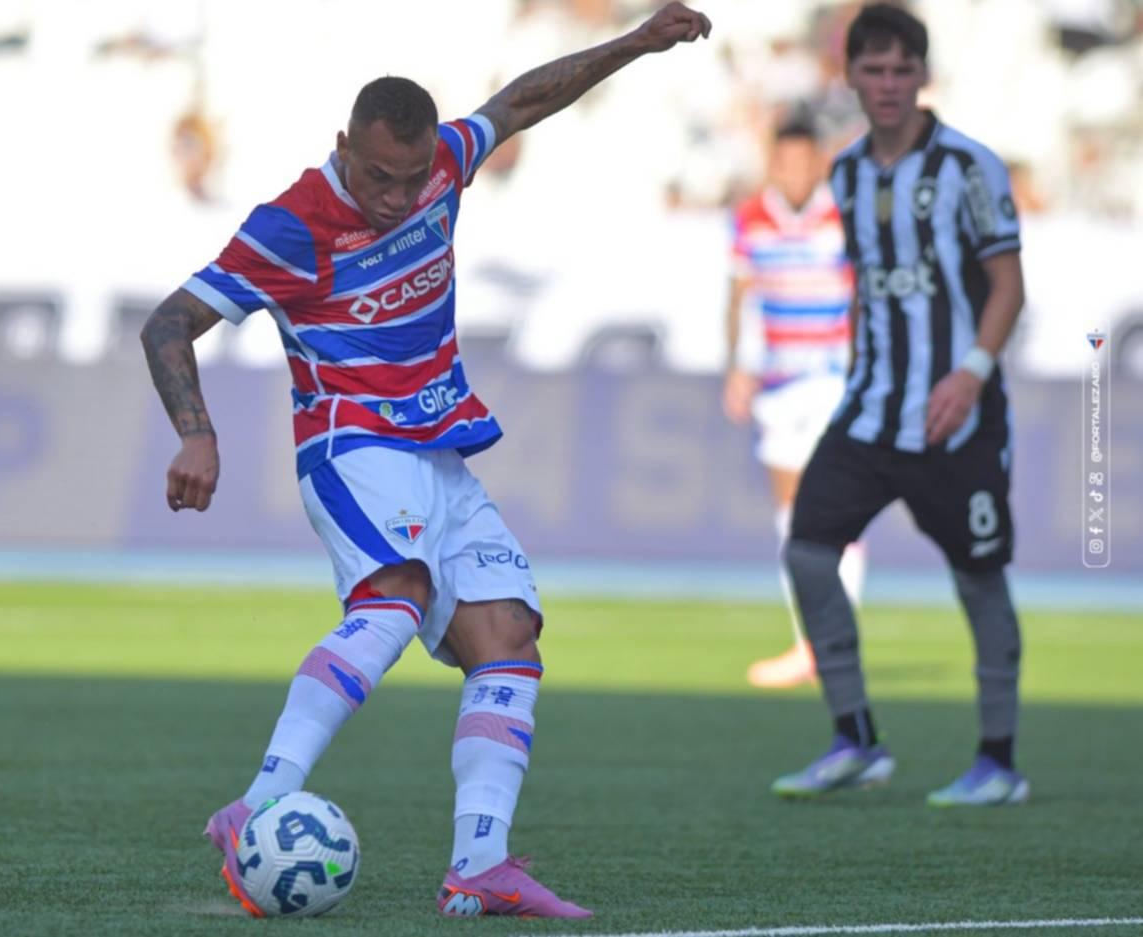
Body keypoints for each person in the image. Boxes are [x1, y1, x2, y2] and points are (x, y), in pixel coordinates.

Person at [140, 3, 712, 917]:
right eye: (379, 177)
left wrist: (638, 42)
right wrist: (196, 433)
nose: (401, 197)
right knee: (396, 599)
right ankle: (257, 802)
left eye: (412, 179)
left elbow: (523, 100)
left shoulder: (444, 162)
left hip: (437, 447)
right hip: (352, 443)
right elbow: (169, 322)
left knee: (508, 640)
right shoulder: (293, 223)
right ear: (342, 146)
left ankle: (478, 864)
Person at [770, 4, 1029, 807]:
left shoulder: (969, 166)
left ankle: (999, 760)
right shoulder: (846, 173)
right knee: (808, 551)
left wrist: (971, 371)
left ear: (923, 75)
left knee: (979, 578)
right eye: (872, 70)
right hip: (872, 411)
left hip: (959, 416)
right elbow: (878, 291)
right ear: (850, 77)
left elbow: (1009, 287)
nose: (886, 85)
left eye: (900, 70)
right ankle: (856, 737)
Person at [724, 117, 866, 690]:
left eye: (807, 162)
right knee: (793, 514)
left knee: (836, 510)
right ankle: (813, 638)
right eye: (787, 162)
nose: (797, 173)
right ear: (773, 163)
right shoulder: (752, 218)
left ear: (820, 163)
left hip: (832, 377)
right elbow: (737, 295)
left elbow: (863, 296)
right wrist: (737, 363)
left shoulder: (842, 216)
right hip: (780, 382)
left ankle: (827, 638)